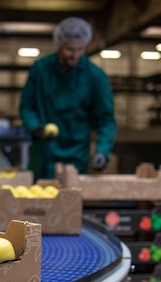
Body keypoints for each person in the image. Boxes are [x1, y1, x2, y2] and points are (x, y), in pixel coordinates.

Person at [19, 17, 117, 179]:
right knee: (37, 200)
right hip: (43, 153)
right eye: (70, 49)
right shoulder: (40, 70)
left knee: (70, 201)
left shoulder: (96, 77)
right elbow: (26, 106)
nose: (75, 55)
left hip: (76, 155)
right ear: (59, 45)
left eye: (80, 49)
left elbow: (106, 119)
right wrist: (36, 127)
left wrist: (103, 151)